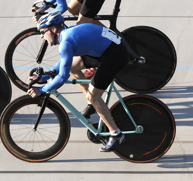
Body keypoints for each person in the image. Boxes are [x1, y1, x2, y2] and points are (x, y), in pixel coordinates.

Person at [27, 12, 129, 152]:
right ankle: (93, 105)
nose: (41, 36)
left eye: (43, 31)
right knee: (73, 68)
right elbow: (65, 63)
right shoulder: (68, 34)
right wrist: (46, 75)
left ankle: (116, 134)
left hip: (114, 55)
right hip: (108, 48)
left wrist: (42, 89)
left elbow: (62, 78)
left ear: (53, 29)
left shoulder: (66, 42)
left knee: (93, 96)